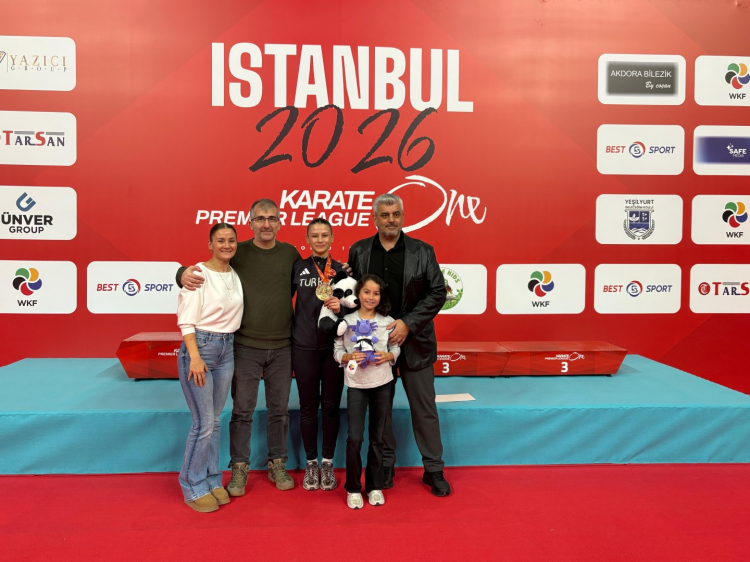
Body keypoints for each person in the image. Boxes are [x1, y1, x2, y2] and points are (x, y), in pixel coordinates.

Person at [177, 199, 301, 495]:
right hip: (244, 346)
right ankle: (239, 467)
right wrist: (180, 273)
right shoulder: (237, 251)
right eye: (260, 218)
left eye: (272, 218)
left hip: (283, 347)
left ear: (280, 222)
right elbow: (205, 270)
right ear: (250, 223)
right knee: (242, 410)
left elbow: (311, 281)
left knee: (279, 411)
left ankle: (277, 462)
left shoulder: (290, 254)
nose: (266, 224)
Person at [347, 193, 451, 497]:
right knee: (382, 410)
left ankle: (433, 469)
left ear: (402, 217)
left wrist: (408, 323)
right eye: (385, 215)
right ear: (374, 218)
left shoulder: (423, 251)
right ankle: (384, 466)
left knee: (424, 408)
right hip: (373, 347)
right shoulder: (359, 250)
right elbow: (352, 294)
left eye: (396, 214)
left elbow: (437, 292)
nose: (391, 220)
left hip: (415, 342)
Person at [176, 223, 243, 513]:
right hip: (200, 348)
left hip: (227, 349)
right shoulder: (197, 274)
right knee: (203, 424)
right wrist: (194, 356)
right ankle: (191, 485)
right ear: (210, 244)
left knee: (215, 421)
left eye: (231, 240)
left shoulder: (234, 274)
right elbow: (186, 320)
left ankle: (212, 479)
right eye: (220, 240)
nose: (226, 245)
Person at [333, 274, 400, 509]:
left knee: (377, 438)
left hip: (382, 383)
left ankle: (374, 486)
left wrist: (389, 355)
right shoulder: (346, 321)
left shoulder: (388, 321)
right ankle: (353, 488)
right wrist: (347, 357)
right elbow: (337, 349)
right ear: (358, 294)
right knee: (355, 437)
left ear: (381, 297)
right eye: (367, 292)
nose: (371, 297)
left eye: (376, 293)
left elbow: (395, 346)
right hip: (356, 385)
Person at [292, 218, 346, 491]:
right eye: (315, 235)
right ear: (307, 239)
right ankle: (311, 463)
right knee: (308, 408)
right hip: (303, 346)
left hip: (333, 348)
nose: (320, 239)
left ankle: (327, 463)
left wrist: (341, 308)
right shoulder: (298, 267)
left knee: (331, 407)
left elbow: (355, 306)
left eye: (325, 235)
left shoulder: (342, 270)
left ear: (332, 238)